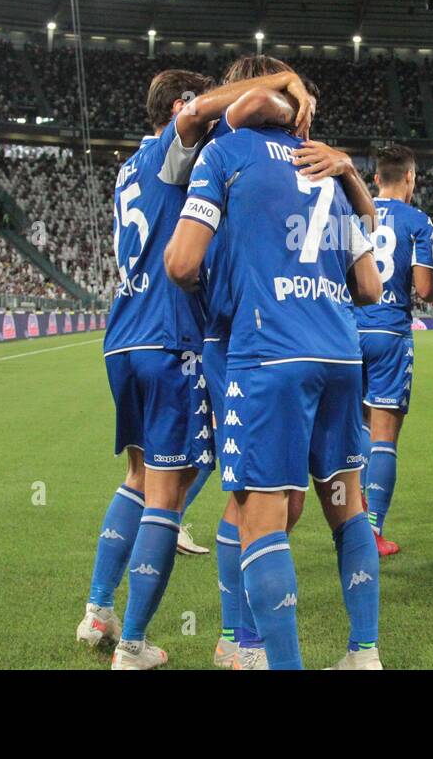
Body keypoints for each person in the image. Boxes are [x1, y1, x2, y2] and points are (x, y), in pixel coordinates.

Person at [77, 64, 315, 670]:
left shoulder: (131, 167)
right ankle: (134, 645)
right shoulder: (174, 144)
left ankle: (98, 610)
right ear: (185, 102)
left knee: (139, 477)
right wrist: (282, 82)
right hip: (168, 337)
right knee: (170, 488)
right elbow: (197, 116)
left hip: (123, 336)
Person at [166, 81, 384, 670]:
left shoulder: (226, 153)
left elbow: (182, 262)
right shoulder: (322, 166)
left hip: (267, 352)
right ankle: (364, 652)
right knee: (347, 506)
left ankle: (264, 654)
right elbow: (370, 288)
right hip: (340, 352)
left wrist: (216, 285)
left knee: (260, 514)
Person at [355, 145, 433, 557]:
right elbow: (425, 288)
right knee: (384, 437)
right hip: (390, 334)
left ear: (375, 178)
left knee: (355, 431)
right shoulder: (418, 221)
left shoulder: (353, 210)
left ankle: (351, 523)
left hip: (348, 331)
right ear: (410, 177)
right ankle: (373, 530)